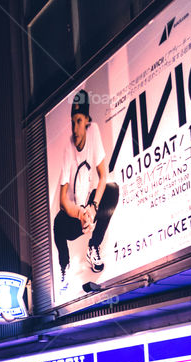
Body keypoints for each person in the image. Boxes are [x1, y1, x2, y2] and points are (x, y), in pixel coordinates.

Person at [53, 89, 120, 293]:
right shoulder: (68, 149)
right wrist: (80, 213)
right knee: (57, 224)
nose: (75, 127)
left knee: (112, 189)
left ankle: (94, 247)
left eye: (79, 121)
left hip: (88, 207)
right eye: (73, 121)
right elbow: (63, 201)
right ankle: (64, 267)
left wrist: (93, 207)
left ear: (87, 121)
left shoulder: (93, 132)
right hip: (74, 216)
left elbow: (103, 174)